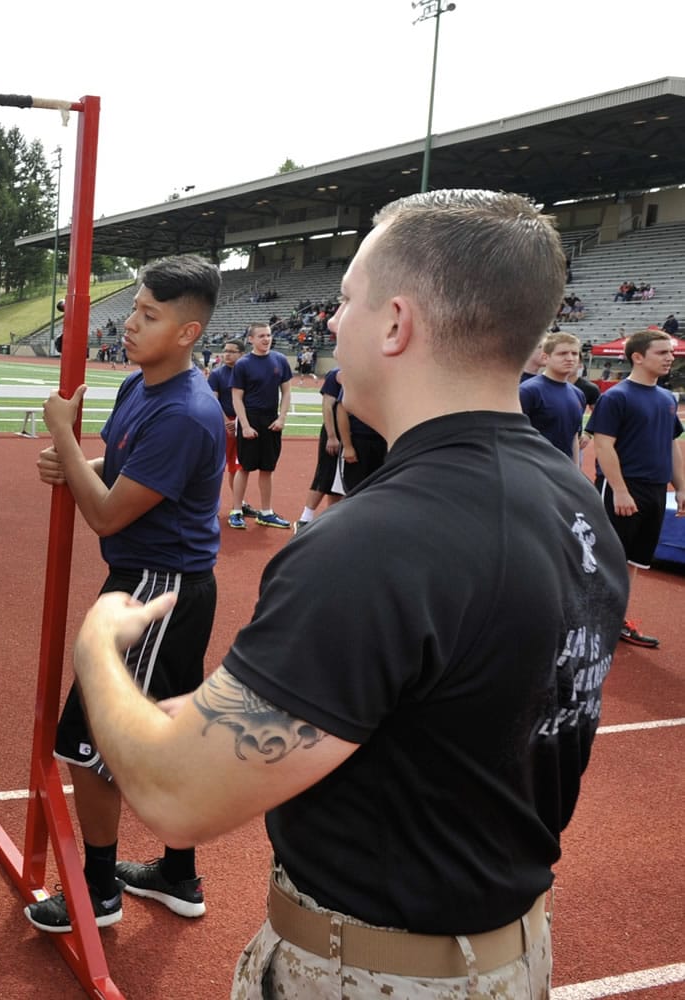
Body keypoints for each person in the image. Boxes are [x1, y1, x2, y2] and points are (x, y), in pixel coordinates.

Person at [65, 190, 629, 999]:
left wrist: (96, 647)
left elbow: (174, 793)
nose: (329, 324)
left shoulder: (377, 540)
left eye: (347, 301)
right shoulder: (573, 505)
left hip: (367, 972)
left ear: (395, 324)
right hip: (507, 953)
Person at [25, 255, 225, 934]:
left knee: (88, 742)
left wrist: (61, 437)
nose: (130, 324)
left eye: (149, 316)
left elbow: (107, 515)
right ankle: (177, 873)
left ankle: (98, 890)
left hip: (156, 594)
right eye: (134, 309)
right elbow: (116, 472)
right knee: (168, 732)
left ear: (187, 332)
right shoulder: (139, 386)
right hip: (151, 583)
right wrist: (76, 460)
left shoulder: (187, 413)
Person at [588, 329, 685, 648]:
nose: (670, 357)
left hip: (656, 490)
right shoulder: (616, 396)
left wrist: (681, 487)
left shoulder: (667, 399)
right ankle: (590, 621)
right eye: (662, 352)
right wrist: (620, 489)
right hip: (623, 489)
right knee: (607, 557)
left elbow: (672, 446)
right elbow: (603, 446)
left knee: (635, 561)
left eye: (670, 352)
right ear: (638, 357)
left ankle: (615, 619)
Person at [230, 322, 293, 528]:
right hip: (250, 418)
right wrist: (245, 426)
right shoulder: (243, 364)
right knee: (244, 467)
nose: (266, 339)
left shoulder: (280, 360)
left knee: (268, 468)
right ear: (251, 339)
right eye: (261, 336)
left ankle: (266, 512)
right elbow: (237, 398)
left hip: (271, 419)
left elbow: (286, 392)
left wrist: (282, 417)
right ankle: (237, 510)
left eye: (268, 335)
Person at [520, 331, 586, 463]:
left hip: (564, 471)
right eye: (562, 353)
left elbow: (573, 437)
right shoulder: (528, 391)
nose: (570, 358)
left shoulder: (578, 394)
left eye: (574, 353)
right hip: (535, 469)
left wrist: (575, 471)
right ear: (545, 358)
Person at [293, 366, 345, 532]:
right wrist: (331, 436)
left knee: (339, 479)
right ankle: (305, 519)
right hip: (334, 433)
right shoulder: (335, 375)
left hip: (353, 433)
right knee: (325, 472)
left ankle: (331, 518)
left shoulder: (361, 372)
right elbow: (327, 406)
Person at [207, 339, 246, 521]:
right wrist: (225, 422)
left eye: (232, 351)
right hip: (221, 424)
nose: (227, 354)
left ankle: (239, 502)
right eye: (225, 350)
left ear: (241, 354)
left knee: (237, 466)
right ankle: (210, 504)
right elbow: (213, 400)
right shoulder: (217, 374)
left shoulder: (246, 373)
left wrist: (239, 421)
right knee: (217, 466)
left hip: (241, 423)